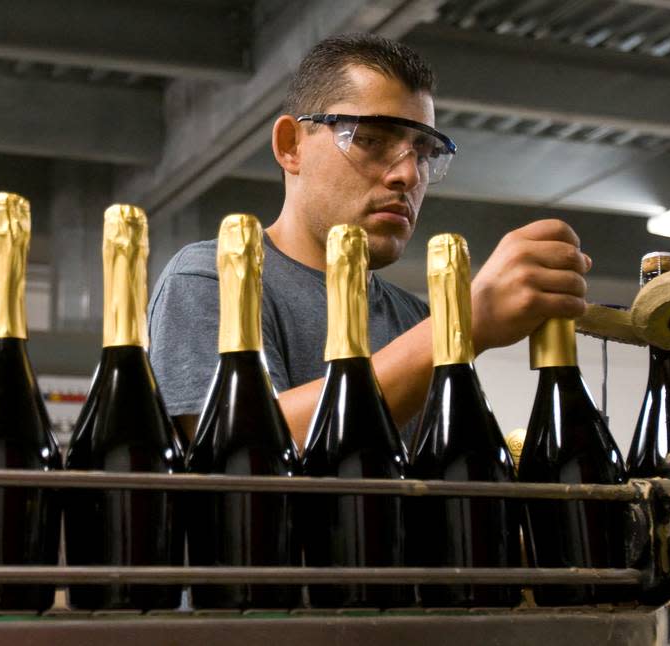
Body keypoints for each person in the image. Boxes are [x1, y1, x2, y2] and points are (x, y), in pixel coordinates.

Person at [147, 33, 591, 449]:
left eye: (424, 152)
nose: (408, 174)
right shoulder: (212, 277)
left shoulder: (414, 317)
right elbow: (239, 448)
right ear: (290, 146)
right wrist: (462, 323)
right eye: (371, 139)